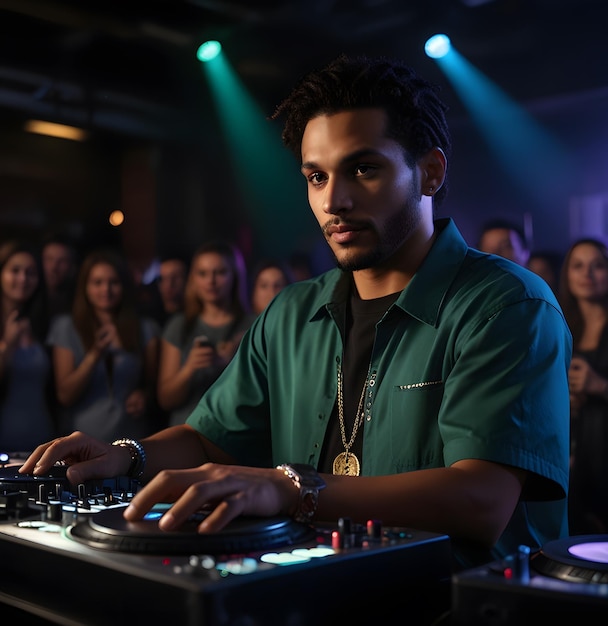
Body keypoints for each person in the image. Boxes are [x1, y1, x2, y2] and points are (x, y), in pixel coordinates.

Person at [21, 55, 571, 571]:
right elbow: (212, 438)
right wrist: (129, 454)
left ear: (430, 173)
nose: (335, 202)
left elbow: (481, 499)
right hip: (313, 596)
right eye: (317, 177)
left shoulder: (505, 304)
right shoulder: (291, 312)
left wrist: (292, 489)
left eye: (363, 170)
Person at [46, 247, 161, 441]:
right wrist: (94, 354)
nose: (105, 290)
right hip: (79, 440)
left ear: (124, 285)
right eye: (97, 283)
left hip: (129, 439)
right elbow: (65, 395)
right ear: (85, 287)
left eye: (113, 282)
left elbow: (154, 386)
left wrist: (144, 397)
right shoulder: (66, 327)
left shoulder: (145, 328)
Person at [558, 236, 608, 535]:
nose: (587, 274)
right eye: (578, 266)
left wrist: (601, 386)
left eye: (598, 266)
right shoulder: (559, 327)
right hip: (575, 461)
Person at [157, 240, 256, 426]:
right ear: (193, 278)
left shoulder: (252, 325)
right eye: (202, 273)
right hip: (186, 433)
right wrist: (189, 368)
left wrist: (233, 364)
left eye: (220, 272)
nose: (211, 281)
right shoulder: (179, 325)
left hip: (233, 432)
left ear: (234, 275)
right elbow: (166, 399)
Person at [0, 240, 56, 453]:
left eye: (30, 272)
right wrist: (7, 344)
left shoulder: (44, 322)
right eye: (15, 270)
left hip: (41, 443)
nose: (23, 279)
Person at [40, 230, 79, 321]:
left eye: (62, 261)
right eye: (49, 259)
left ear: (72, 267)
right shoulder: (27, 301)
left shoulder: (78, 304)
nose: (54, 267)